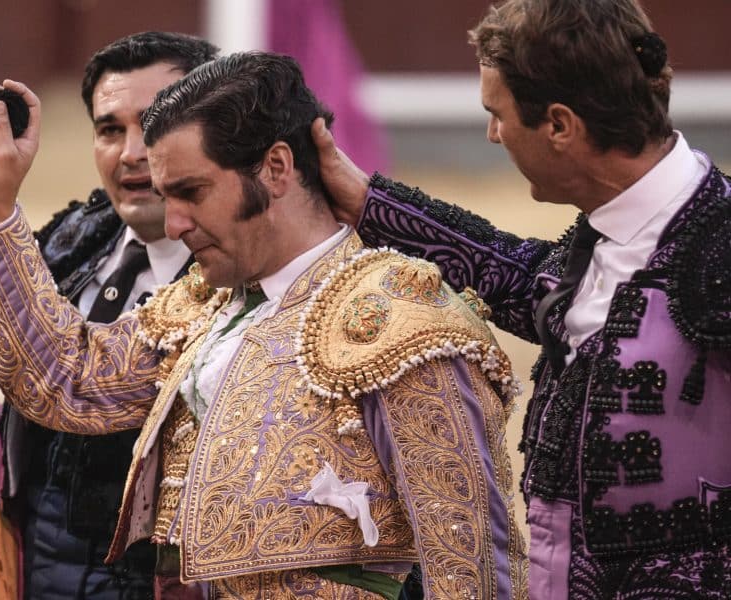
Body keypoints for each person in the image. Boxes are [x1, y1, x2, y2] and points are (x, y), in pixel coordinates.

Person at [0, 51, 527, 598]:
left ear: (276, 168)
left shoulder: (400, 323)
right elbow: (72, 380)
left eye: (192, 192)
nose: (173, 224)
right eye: (167, 196)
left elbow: (470, 568)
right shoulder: (207, 303)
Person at [312, 1, 731, 597]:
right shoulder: (610, 232)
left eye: (497, 114)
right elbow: (516, 276)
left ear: (559, 125)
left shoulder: (716, 245)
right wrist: (366, 202)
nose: (493, 134)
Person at [0, 32, 217, 599]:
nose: (131, 153)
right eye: (110, 130)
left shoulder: (239, 273)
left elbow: (67, 379)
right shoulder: (73, 238)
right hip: (36, 567)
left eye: (155, 124)